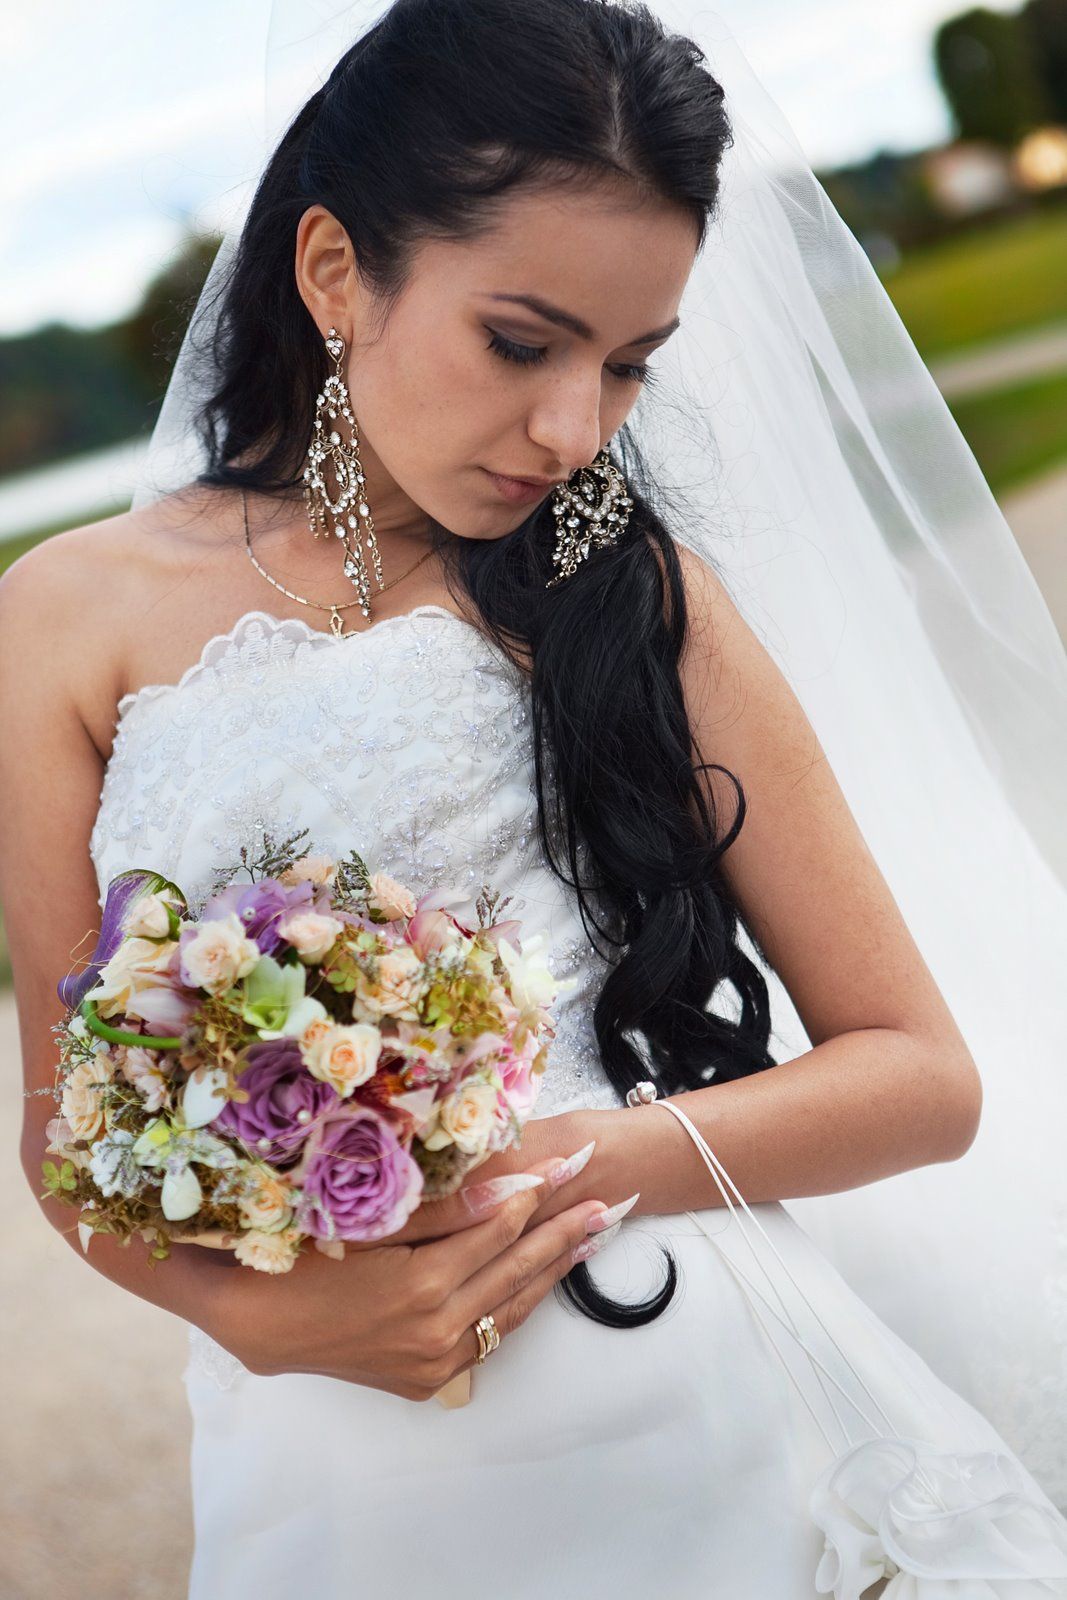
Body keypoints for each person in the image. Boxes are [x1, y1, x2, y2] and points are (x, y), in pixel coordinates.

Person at [4, 0, 1067, 1593]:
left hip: (708, 1417)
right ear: (334, 271)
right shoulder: (58, 621)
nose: (574, 431)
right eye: (522, 342)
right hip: (329, 1491)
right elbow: (65, 1135)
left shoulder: (635, 596)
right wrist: (264, 1317)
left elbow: (922, 1079)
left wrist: (552, 1165)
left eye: (630, 364)